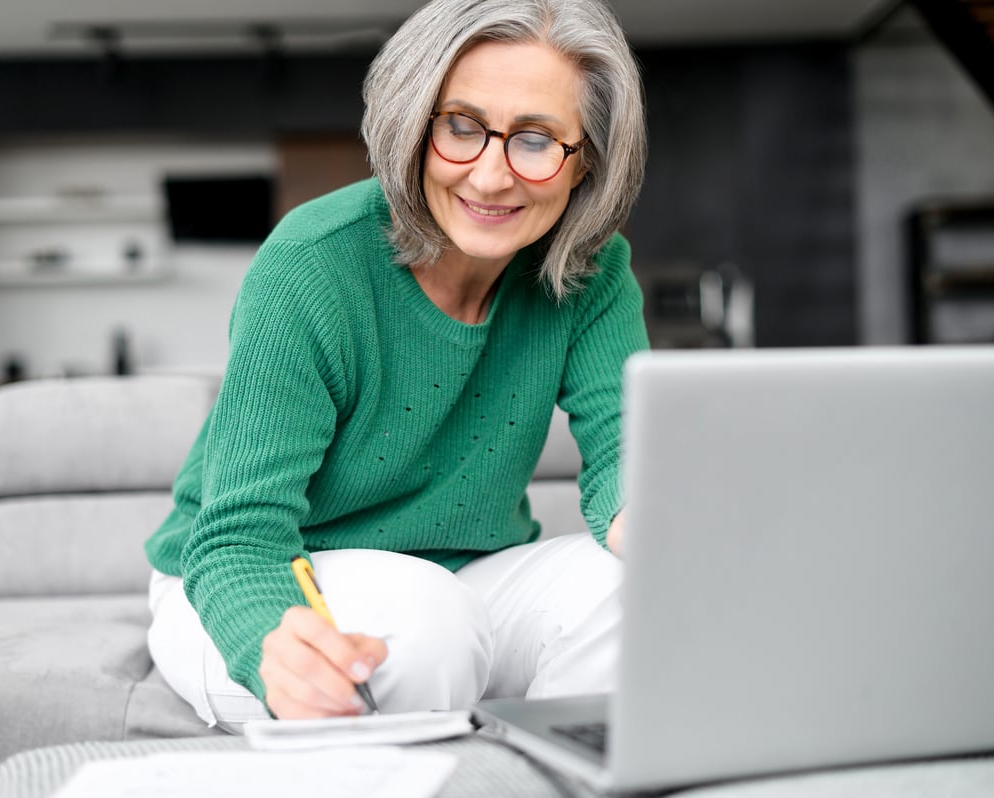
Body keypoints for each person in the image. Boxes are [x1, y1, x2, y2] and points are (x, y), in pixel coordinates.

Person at [143, 0, 649, 731]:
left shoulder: (590, 272)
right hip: (258, 580)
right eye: (461, 127)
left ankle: (558, 778)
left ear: (587, 162)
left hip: (466, 577)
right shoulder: (313, 265)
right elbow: (239, 538)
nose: (490, 177)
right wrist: (269, 643)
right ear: (414, 126)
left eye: (535, 140)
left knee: (630, 579)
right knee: (425, 621)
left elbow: (627, 446)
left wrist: (652, 522)